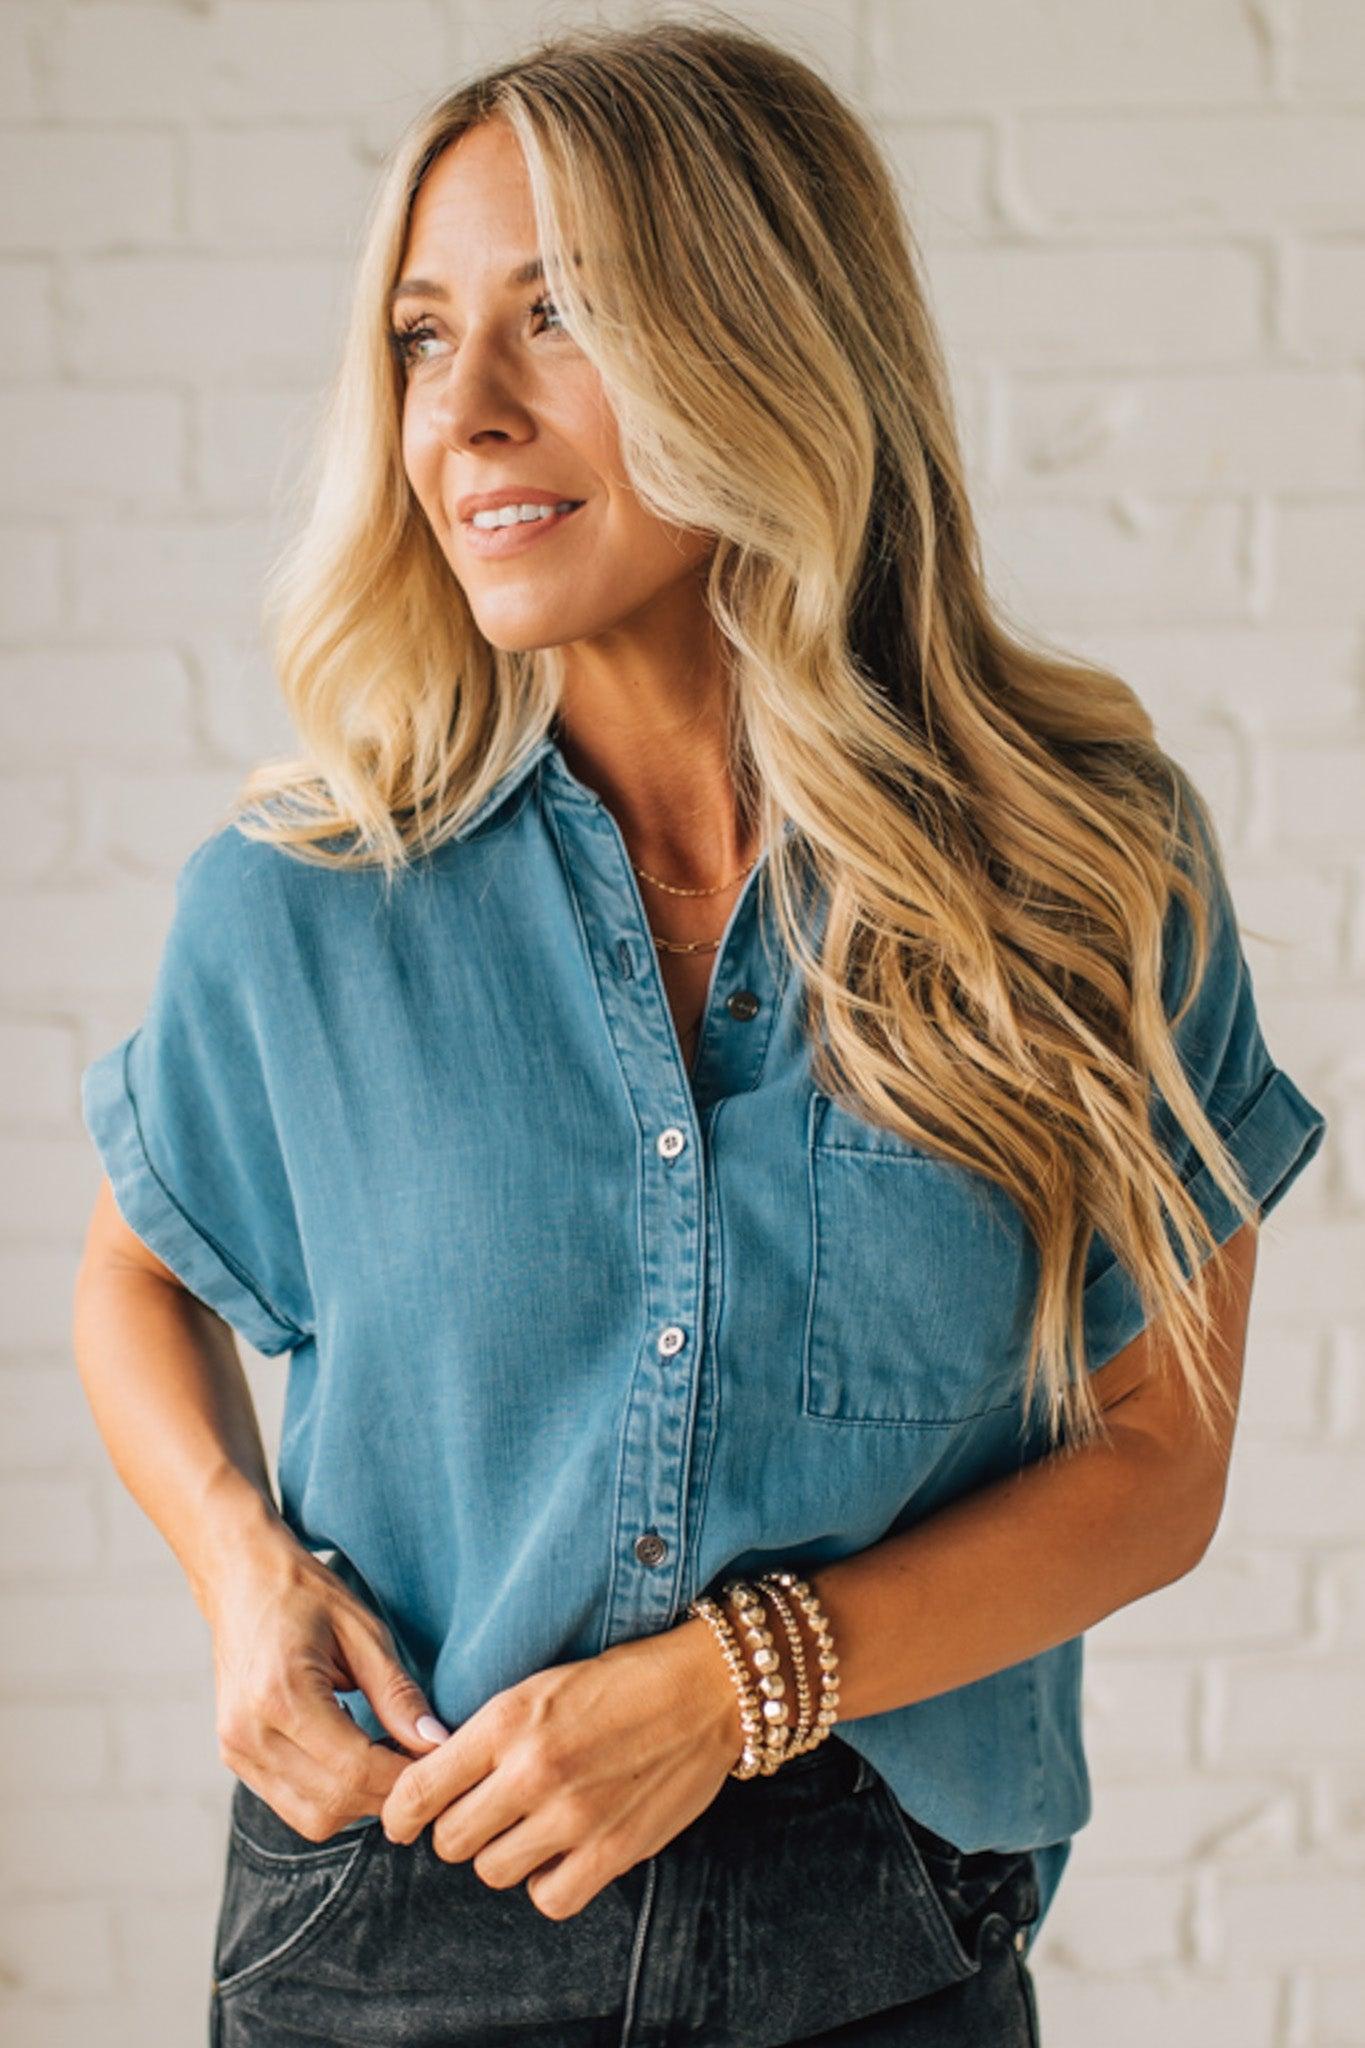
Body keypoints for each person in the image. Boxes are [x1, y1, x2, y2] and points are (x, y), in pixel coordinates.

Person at [71, 19, 1328, 2047]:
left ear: (759, 341)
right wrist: (238, 1574)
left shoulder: (1082, 864)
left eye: (552, 318)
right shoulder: (301, 896)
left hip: (885, 1945)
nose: (460, 414)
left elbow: (1155, 1461)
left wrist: (743, 1678)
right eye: (415, 335)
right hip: (400, 1922)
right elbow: (137, 1276)